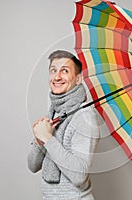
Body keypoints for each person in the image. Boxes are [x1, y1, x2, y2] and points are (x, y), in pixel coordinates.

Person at [27, 50, 99, 200]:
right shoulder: (53, 112)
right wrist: (38, 141)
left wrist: (48, 138)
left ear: (78, 79)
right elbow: (33, 166)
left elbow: (79, 175)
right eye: (53, 70)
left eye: (64, 71)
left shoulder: (84, 116)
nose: (57, 77)